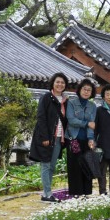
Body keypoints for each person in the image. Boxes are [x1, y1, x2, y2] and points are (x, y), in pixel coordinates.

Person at [29, 72, 68, 203]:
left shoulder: (65, 101)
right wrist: (45, 137)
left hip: (59, 138)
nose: (60, 84)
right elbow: (41, 118)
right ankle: (47, 193)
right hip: (47, 138)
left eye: (62, 82)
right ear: (53, 83)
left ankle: (47, 193)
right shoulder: (46, 98)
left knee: (52, 166)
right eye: (58, 82)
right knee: (45, 165)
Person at [65, 79, 98, 196]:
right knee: (75, 166)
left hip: (86, 141)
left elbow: (92, 123)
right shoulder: (72, 103)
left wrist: (90, 138)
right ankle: (76, 193)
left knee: (87, 165)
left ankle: (86, 193)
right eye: (84, 89)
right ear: (79, 90)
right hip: (74, 139)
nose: (86, 92)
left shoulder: (92, 106)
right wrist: (86, 123)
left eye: (89, 90)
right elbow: (71, 120)